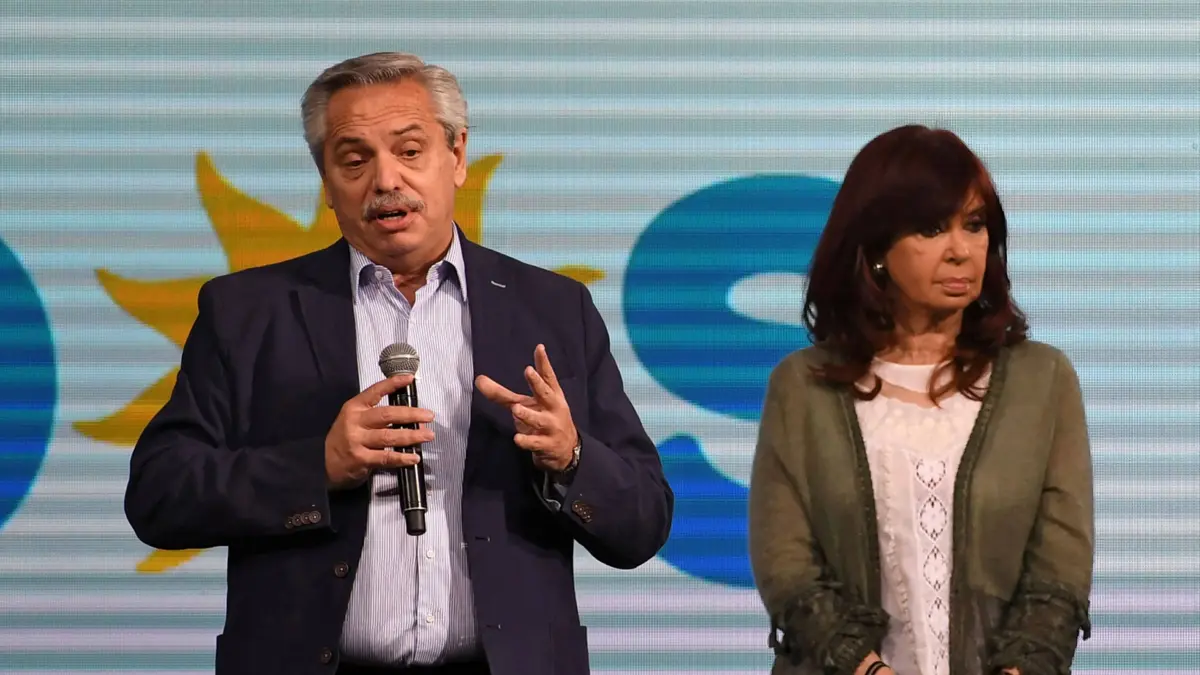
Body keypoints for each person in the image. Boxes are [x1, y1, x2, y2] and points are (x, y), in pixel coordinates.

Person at [124, 52, 673, 675]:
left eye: (410, 151)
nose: (386, 179)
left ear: (457, 156)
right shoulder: (247, 313)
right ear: (326, 181)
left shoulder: (552, 310)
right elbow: (159, 496)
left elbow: (644, 523)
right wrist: (317, 466)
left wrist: (570, 459)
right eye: (354, 160)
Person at [747, 125, 1094, 675]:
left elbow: (1059, 569)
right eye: (932, 229)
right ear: (876, 249)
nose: (961, 251)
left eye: (974, 225)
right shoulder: (802, 387)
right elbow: (788, 567)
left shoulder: (1042, 381)